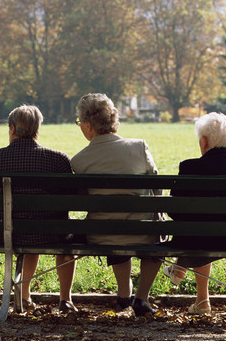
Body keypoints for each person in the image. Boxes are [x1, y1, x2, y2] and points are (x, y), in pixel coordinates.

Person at [0, 105, 79, 313]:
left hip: (4, 234)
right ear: (37, 129)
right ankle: (65, 299)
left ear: (13, 129)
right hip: (49, 235)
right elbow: (69, 197)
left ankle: (24, 297)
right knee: (64, 234)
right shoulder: (58, 159)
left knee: (26, 229)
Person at [70, 93, 163, 318]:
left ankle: (124, 294)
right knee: (153, 228)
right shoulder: (139, 147)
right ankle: (141, 297)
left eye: (79, 122)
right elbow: (157, 188)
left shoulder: (79, 161)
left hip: (101, 235)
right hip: (144, 234)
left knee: (112, 223)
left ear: (89, 126)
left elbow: (81, 199)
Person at [166, 112, 226, 314]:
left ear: (203, 142)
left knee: (199, 227)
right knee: (208, 225)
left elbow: (174, 209)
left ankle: (182, 271)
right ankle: (196, 293)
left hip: (195, 238)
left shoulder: (189, 166)